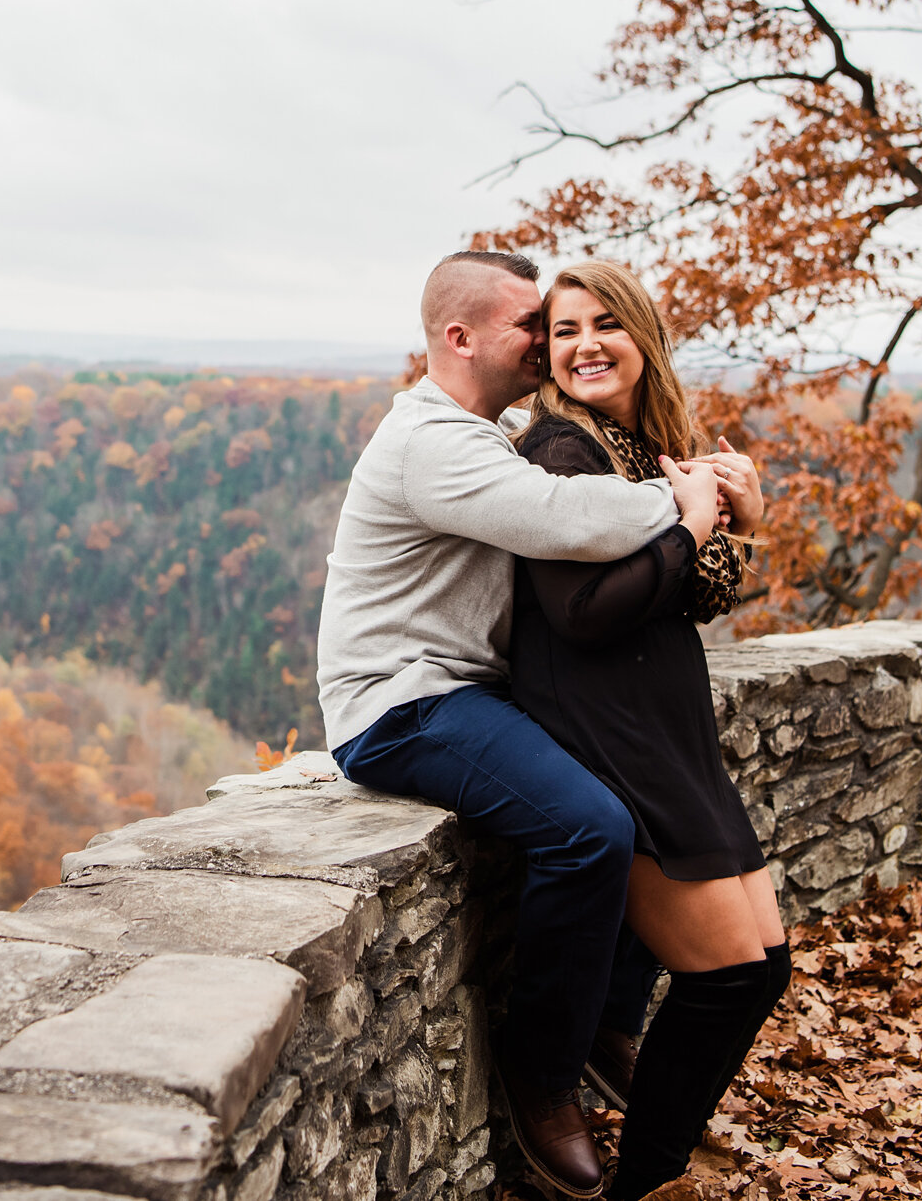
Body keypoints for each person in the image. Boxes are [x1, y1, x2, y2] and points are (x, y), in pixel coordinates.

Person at [316, 249, 690, 1198]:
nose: (546, 339)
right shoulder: (430, 442)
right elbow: (567, 519)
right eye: (532, 323)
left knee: (641, 786)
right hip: (401, 706)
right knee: (586, 827)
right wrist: (688, 506)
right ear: (459, 337)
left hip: (470, 692)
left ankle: (611, 1025)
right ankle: (544, 1080)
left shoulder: (492, 428)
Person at [508, 260, 789, 1201]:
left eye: (604, 325)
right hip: (604, 726)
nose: (584, 345)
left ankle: (659, 1160)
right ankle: (651, 1184)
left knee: (762, 969)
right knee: (720, 980)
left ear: (643, 335)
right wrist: (688, 523)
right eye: (564, 329)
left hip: (667, 723)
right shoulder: (560, 451)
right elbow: (581, 610)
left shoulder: (639, 441)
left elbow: (690, 597)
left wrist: (734, 525)